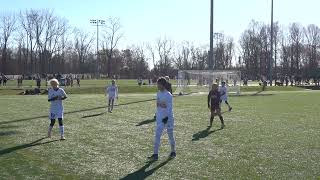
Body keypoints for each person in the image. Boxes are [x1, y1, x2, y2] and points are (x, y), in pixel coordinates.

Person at [148, 78, 176, 161]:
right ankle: (155, 154)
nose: (157, 86)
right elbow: (158, 105)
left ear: (163, 85)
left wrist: (166, 117)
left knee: (170, 135)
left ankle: (173, 151)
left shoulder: (168, 95)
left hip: (168, 118)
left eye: (158, 84)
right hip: (160, 118)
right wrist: (157, 115)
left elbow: (169, 108)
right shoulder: (158, 93)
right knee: (157, 136)